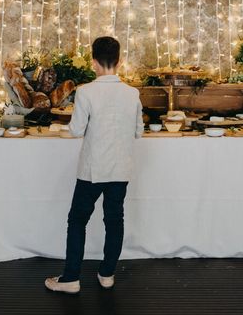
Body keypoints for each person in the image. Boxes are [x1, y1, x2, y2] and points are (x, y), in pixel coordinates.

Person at [45, 36, 144, 294]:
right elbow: (139, 131)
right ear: (119, 61)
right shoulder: (132, 93)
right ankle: (107, 273)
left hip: (92, 169)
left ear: (93, 62)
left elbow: (76, 130)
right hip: (120, 168)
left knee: (77, 220)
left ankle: (70, 279)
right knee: (115, 220)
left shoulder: (86, 91)